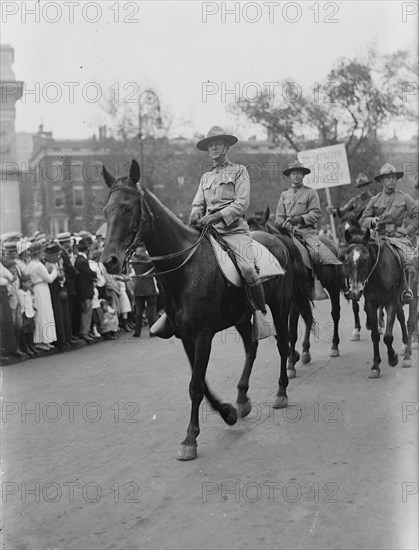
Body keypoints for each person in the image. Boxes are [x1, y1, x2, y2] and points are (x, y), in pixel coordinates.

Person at [275, 160, 342, 297]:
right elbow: (278, 218)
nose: (296, 176)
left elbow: (316, 213)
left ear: (303, 175)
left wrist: (301, 219)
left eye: (299, 173)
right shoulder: (284, 195)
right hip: (288, 234)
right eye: (293, 174)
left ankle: (316, 283)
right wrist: (283, 225)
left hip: (306, 233)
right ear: (289, 176)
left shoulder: (311, 193)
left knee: (317, 254)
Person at [361, 163, 418, 304]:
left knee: (408, 259)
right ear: (382, 181)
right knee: (362, 258)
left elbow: (417, 216)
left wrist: (407, 230)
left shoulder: (405, 198)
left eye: (393, 177)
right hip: (378, 238)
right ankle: (359, 286)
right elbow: (363, 220)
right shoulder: (375, 200)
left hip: (398, 238)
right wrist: (372, 220)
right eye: (388, 178)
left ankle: (407, 290)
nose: (391, 180)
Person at [27, 240, 58, 351]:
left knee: (45, 313)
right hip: (40, 289)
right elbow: (49, 279)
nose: (43, 254)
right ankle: (40, 340)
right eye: (42, 251)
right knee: (42, 314)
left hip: (41, 288)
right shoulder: (37, 266)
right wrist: (55, 271)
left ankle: (45, 339)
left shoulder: (32, 264)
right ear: (38, 253)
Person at [130, 245, 158, 337]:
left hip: (138, 288)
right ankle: (152, 331)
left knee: (138, 312)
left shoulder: (134, 263)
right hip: (149, 288)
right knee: (151, 311)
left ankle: (137, 332)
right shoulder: (149, 262)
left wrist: (138, 255)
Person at [74, 238, 97, 343]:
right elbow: (89, 273)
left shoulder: (79, 260)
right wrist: (94, 274)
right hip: (85, 290)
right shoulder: (82, 261)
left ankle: (86, 331)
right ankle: (84, 332)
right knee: (87, 311)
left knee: (87, 311)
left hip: (83, 289)